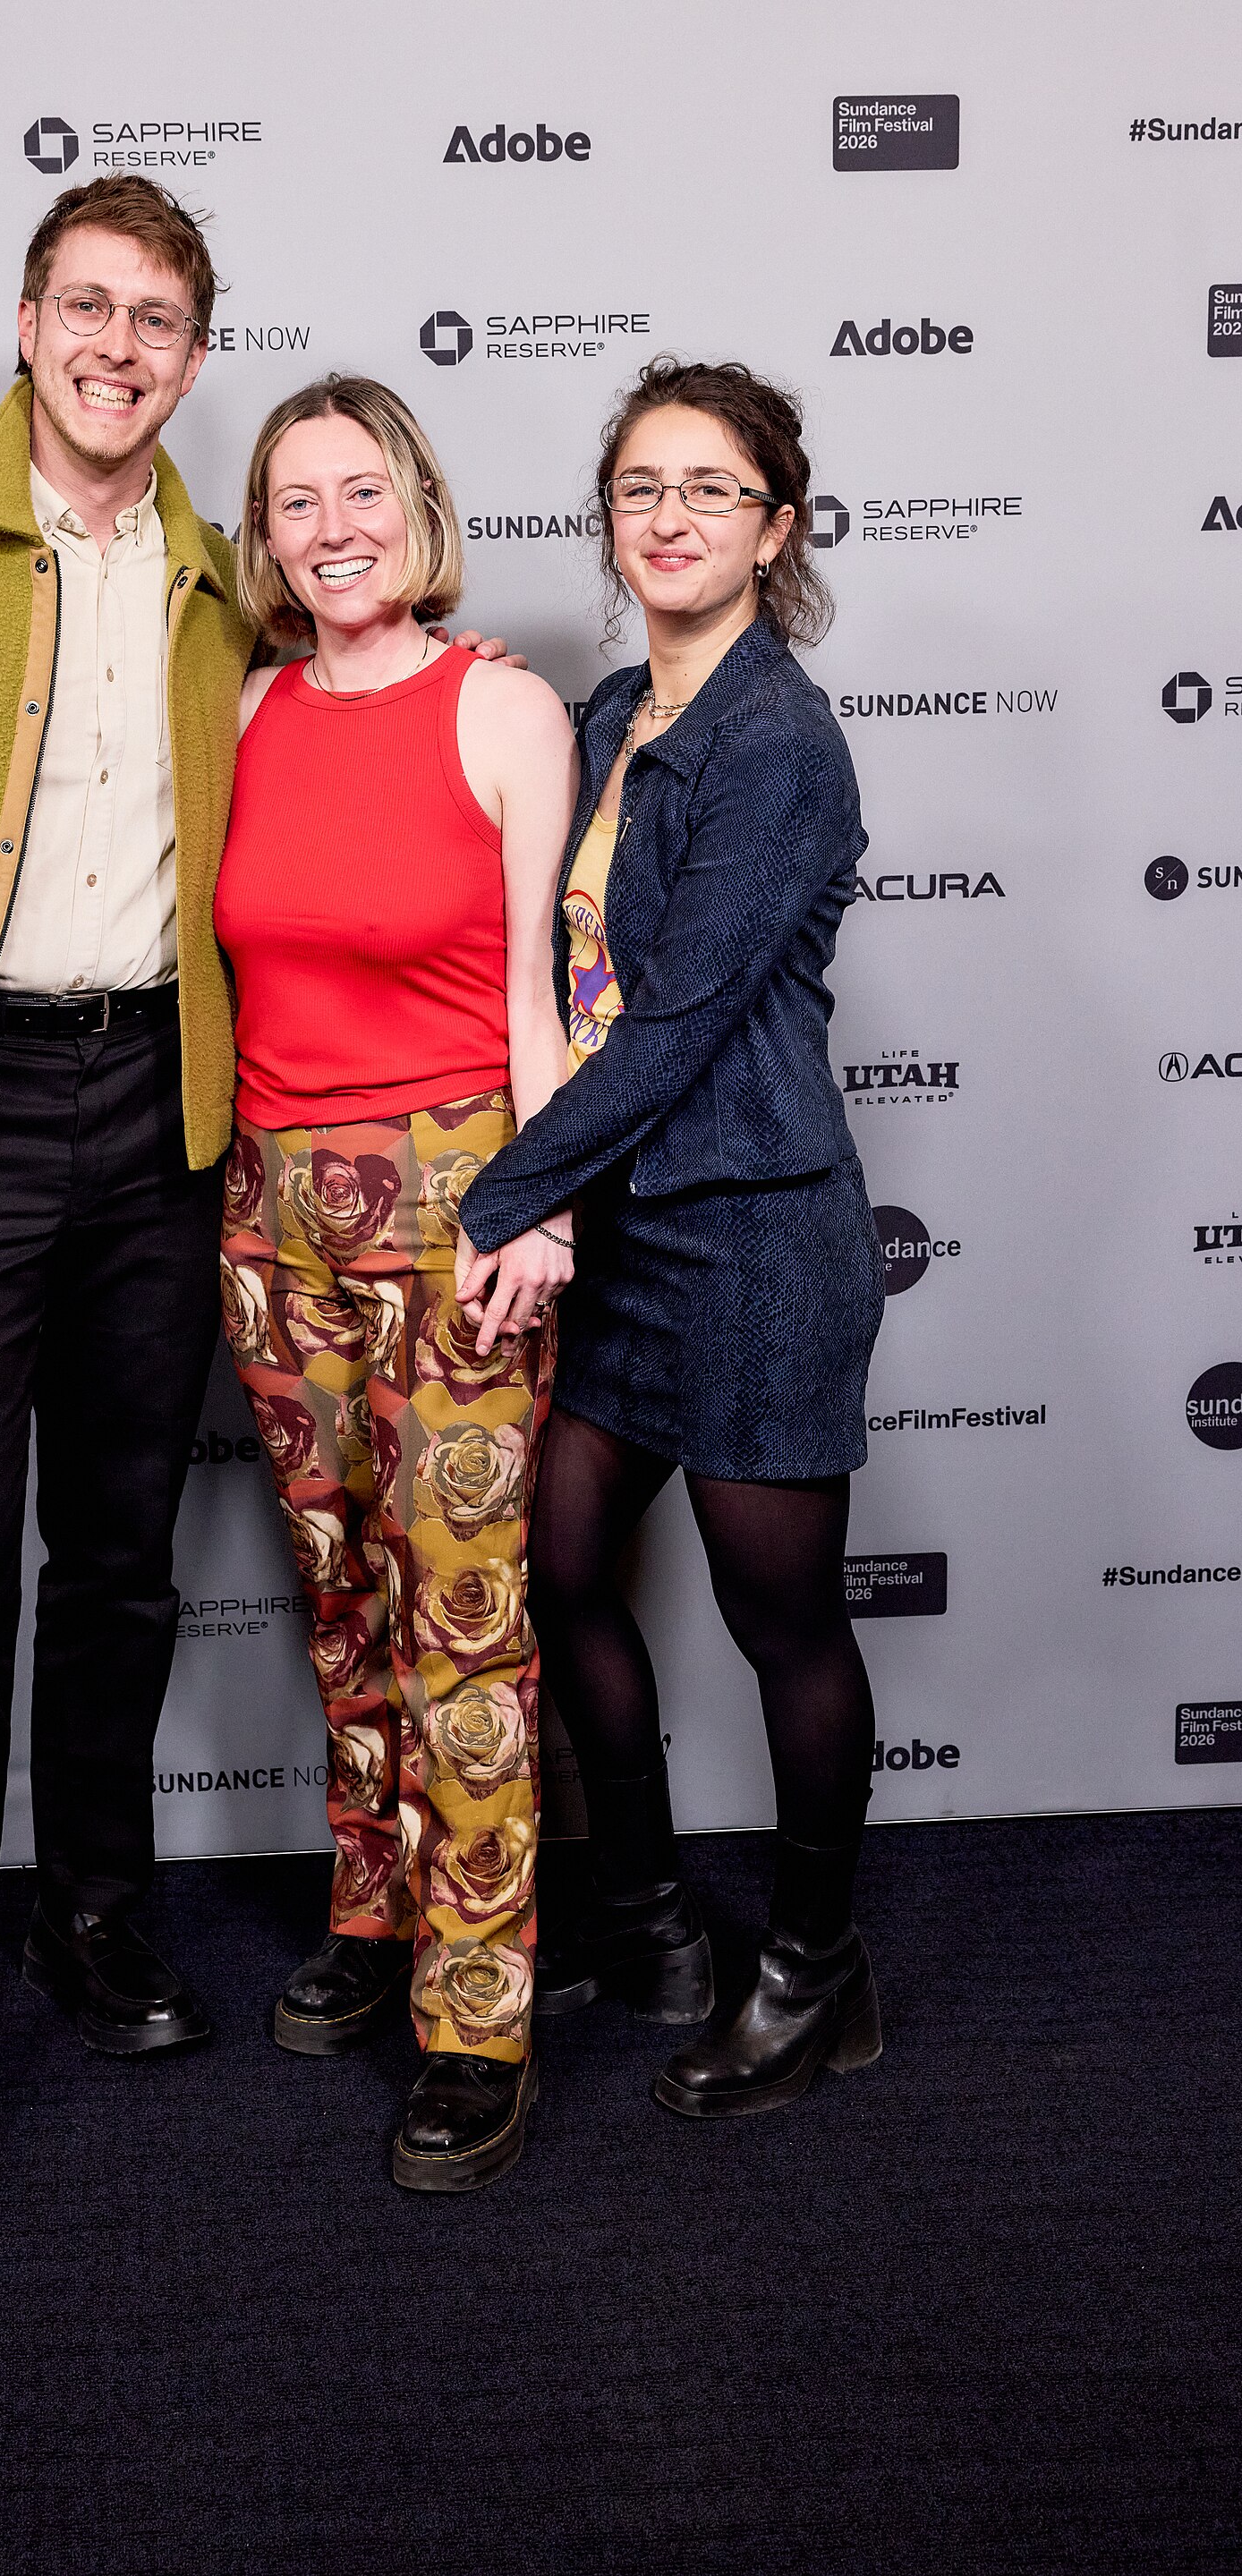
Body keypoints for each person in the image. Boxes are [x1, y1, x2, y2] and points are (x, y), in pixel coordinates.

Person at [0, 179, 514, 2224]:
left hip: (163, 1109)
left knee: (123, 1557)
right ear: (29, 319)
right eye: (87, 306)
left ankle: (98, 1916)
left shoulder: (233, 584)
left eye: (158, 319)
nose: (117, 345)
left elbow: (350, 769)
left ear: (194, 357)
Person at [455, 356, 889, 2119]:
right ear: (609, 517)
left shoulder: (777, 744)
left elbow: (677, 1023)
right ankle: (646, 1917)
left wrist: (504, 1191)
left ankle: (814, 1975)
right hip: (637, 1241)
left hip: (761, 1241)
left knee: (784, 1626)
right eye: (644, 486)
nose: (673, 517)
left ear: (775, 527)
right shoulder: (618, 703)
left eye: (713, 489)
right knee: (563, 1572)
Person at [214, 377, 578, 2189]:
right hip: (269, 1219)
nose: (332, 524)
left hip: (456, 1208)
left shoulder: (505, 706)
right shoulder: (249, 713)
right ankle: (373, 1910)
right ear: (263, 539)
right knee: (343, 1594)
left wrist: (542, 1205)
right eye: (296, 501)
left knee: (462, 1618)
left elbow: (549, 996)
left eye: (363, 491)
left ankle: (477, 2009)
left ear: (417, 512)